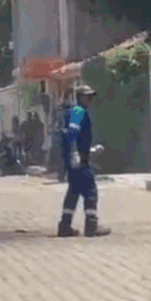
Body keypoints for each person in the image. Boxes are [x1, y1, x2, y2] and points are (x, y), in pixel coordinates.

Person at [58, 85, 110, 238]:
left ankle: (65, 225)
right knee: (90, 190)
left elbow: (78, 138)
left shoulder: (76, 112)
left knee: (73, 191)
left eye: (91, 96)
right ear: (80, 97)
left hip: (76, 157)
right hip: (78, 160)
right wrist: (75, 153)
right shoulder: (78, 111)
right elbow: (73, 133)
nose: (90, 99)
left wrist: (91, 150)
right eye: (88, 96)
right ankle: (91, 225)